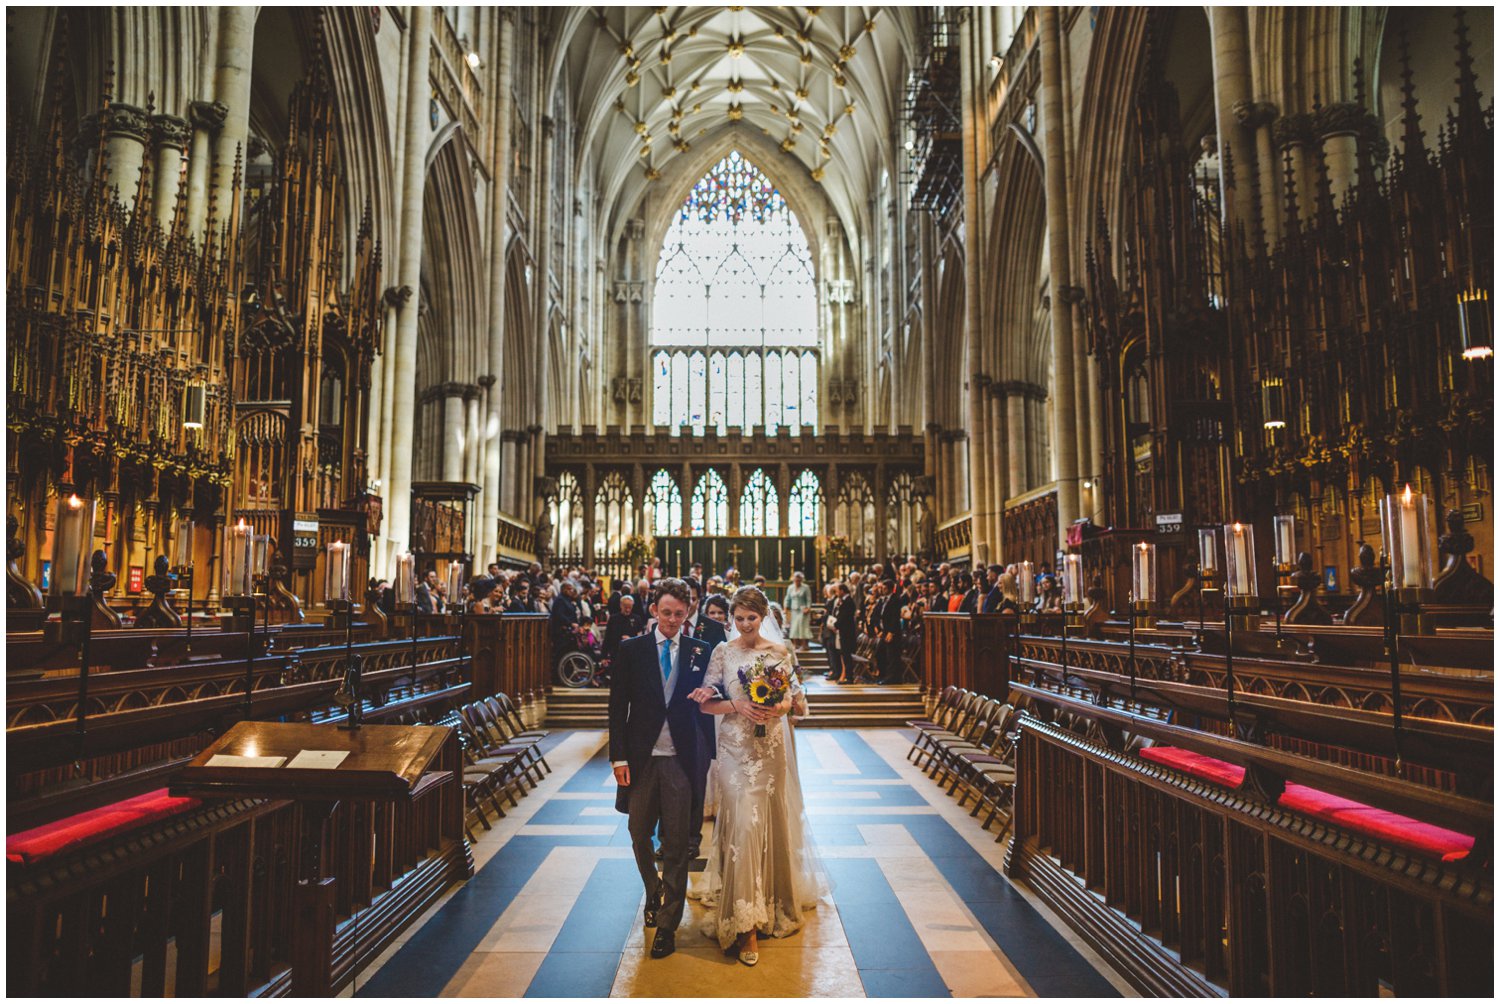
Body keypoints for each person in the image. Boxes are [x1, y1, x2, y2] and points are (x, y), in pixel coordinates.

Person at [688, 586, 825, 966]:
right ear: (732, 618)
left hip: (770, 750)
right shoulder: (723, 652)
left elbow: (793, 700)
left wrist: (776, 707)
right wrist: (736, 704)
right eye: (739, 618)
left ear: (763, 617)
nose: (745, 625)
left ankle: (774, 899)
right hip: (734, 749)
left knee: (769, 821)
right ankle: (744, 922)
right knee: (743, 826)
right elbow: (707, 704)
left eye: (751, 618)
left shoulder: (779, 652)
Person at [609, 579, 717, 960]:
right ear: (654, 610)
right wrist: (618, 757)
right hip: (640, 758)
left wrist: (712, 754)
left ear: (687, 613)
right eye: (666, 612)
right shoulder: (632, 650)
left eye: (679, 613)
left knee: (676, 842)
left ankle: (668, 924)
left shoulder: (699, 651)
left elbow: (712, 697)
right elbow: (617, 704)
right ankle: (654, 890)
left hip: (681, 759)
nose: (672, 619)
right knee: (638, 832)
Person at [603, 594, 638, 663]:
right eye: (625, 607)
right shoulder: (613, 619)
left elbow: (640, 637)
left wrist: (630, 639)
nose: (628, 610)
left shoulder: (636, 619)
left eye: (630, 607)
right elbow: (607, 638)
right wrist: (604, 656)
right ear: (621, 605)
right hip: (616, 653)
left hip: (632, 653)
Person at [784, 571, 812, 651]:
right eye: (796, 580)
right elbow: (787, 598)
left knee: (803, 627)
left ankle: (804, 645)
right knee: (794, 628)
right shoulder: (790, 587)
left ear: (801, 580)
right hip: (794, 610)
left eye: (799, 580)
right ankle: (795, 645)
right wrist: (786, 607)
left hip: (803, 610)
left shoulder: (806, 587)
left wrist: (808, 608)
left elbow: (809, 599)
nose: (797, 581)